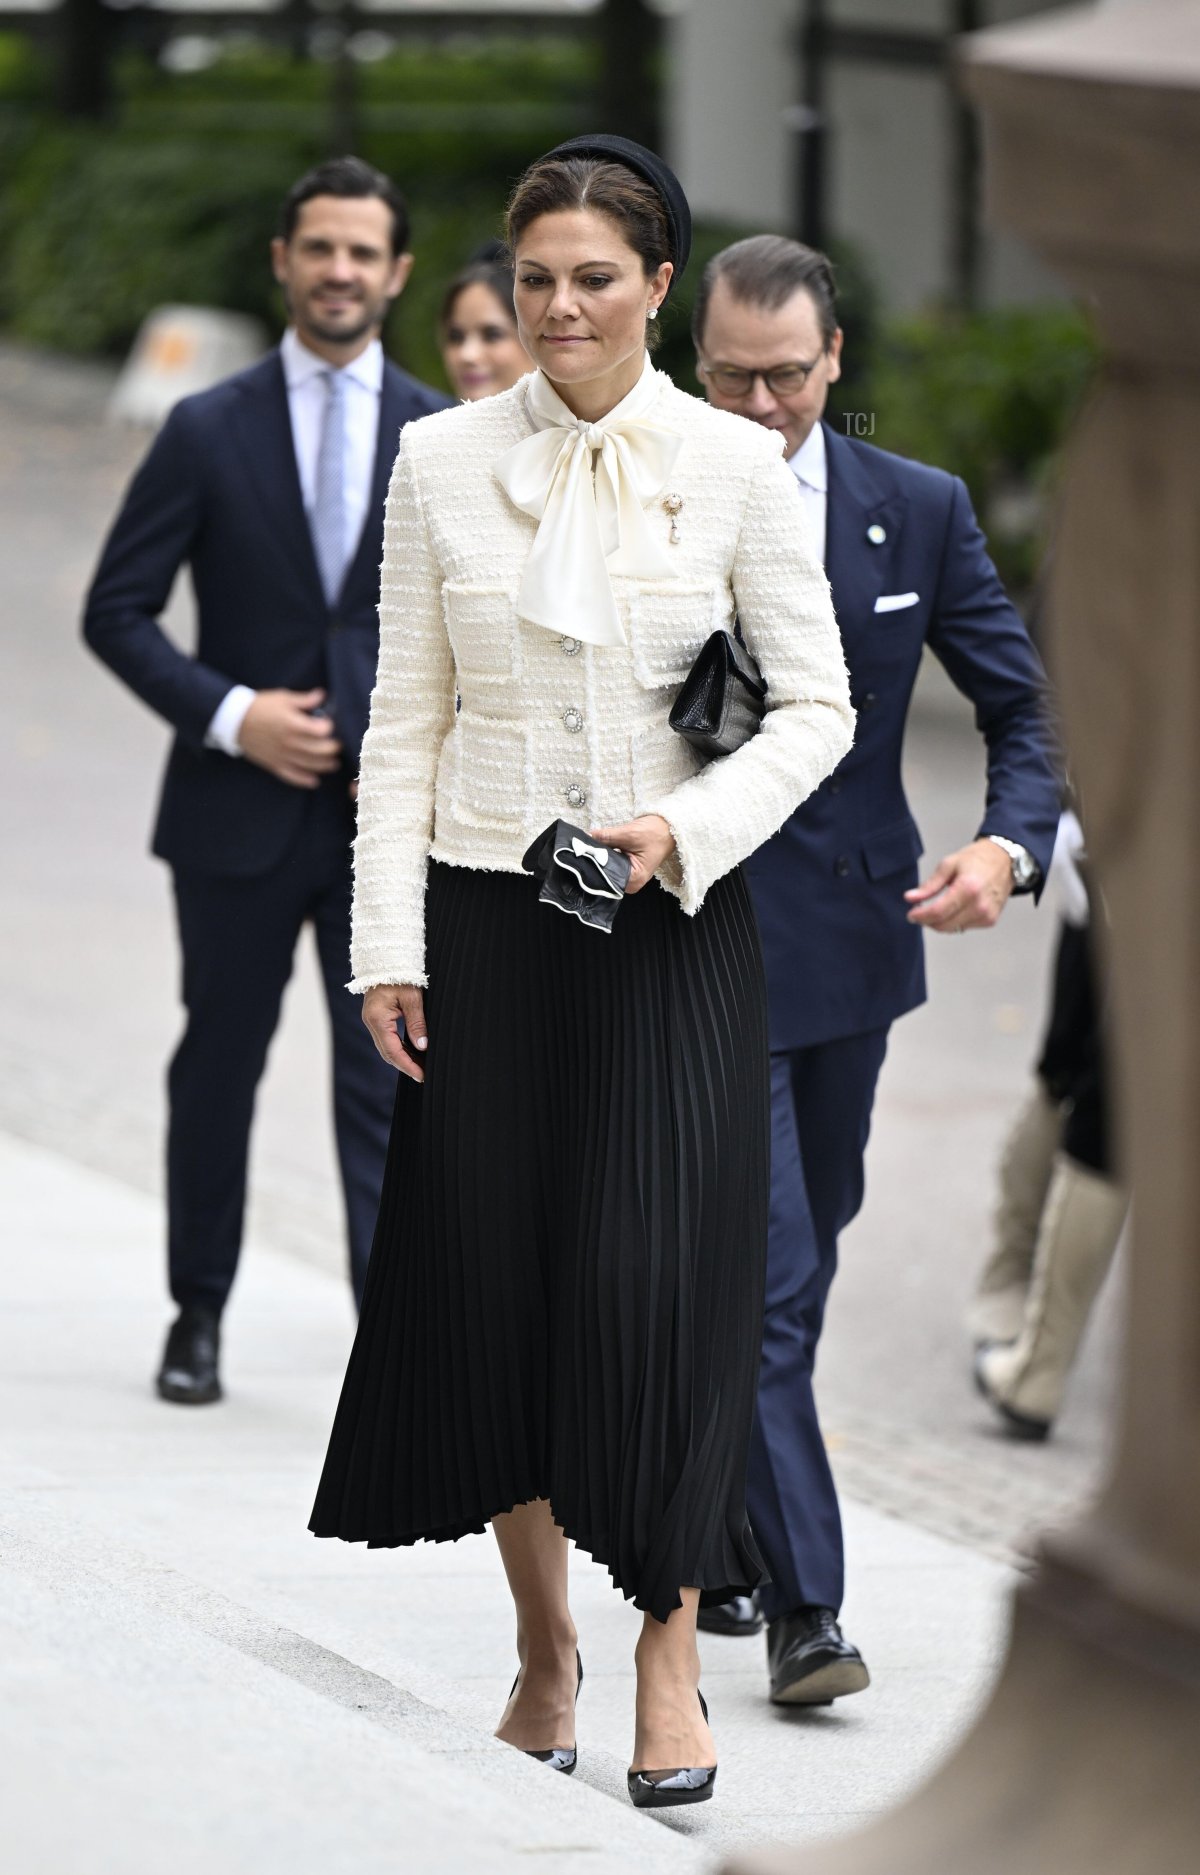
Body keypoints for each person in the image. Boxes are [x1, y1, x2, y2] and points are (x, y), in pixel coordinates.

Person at [308, 137, 854, 1810]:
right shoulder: (437, 459)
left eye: (593, 280)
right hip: (485, 924)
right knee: (505, 1297)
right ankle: (543, 1648)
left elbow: (818, 712)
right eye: (534, 277)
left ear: (660, 290)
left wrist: (682, 833)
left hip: (672, 934)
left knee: (660, 1301)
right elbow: (406, 722)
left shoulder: (740, 464)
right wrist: (386, 948)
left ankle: (668, 1651)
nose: (557, 308)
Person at [691, 236, 1060, 1705]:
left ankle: (724, 1507)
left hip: (854, 943)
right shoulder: (645, 495)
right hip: (700, 941)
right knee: (772, 1280)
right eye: (732, 376)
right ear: (693, 360)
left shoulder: (919, 509)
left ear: (836, 360)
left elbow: (1024, 706)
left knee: (810, 1243)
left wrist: (1005, 851)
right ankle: (809, 1611)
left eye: (789, 375)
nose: (765, 404)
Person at [83, 156, 449, 1406]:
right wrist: (233, 718)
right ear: (283, 262)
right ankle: (197, 1317)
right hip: (232, 817)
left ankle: (394, 1341)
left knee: (386, 1083)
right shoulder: (206, 426)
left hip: (382, 828)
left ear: (396, 273)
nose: (340, 270)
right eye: (320, 248)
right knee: (218, 1067)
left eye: (364, 252)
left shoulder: (441, 438)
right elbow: (116, 612)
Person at [970, 810, 1128, 1438]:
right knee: (1075, 1071)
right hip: (1125, 844)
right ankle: (1018, 1316)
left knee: (1104, 1097)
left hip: (1135, 846)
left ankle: (1036, 1361)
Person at [439, 244, 533, 400]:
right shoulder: (425, 423)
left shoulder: (581, 423)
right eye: (456, 337)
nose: (467, 355)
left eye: (492, 335)